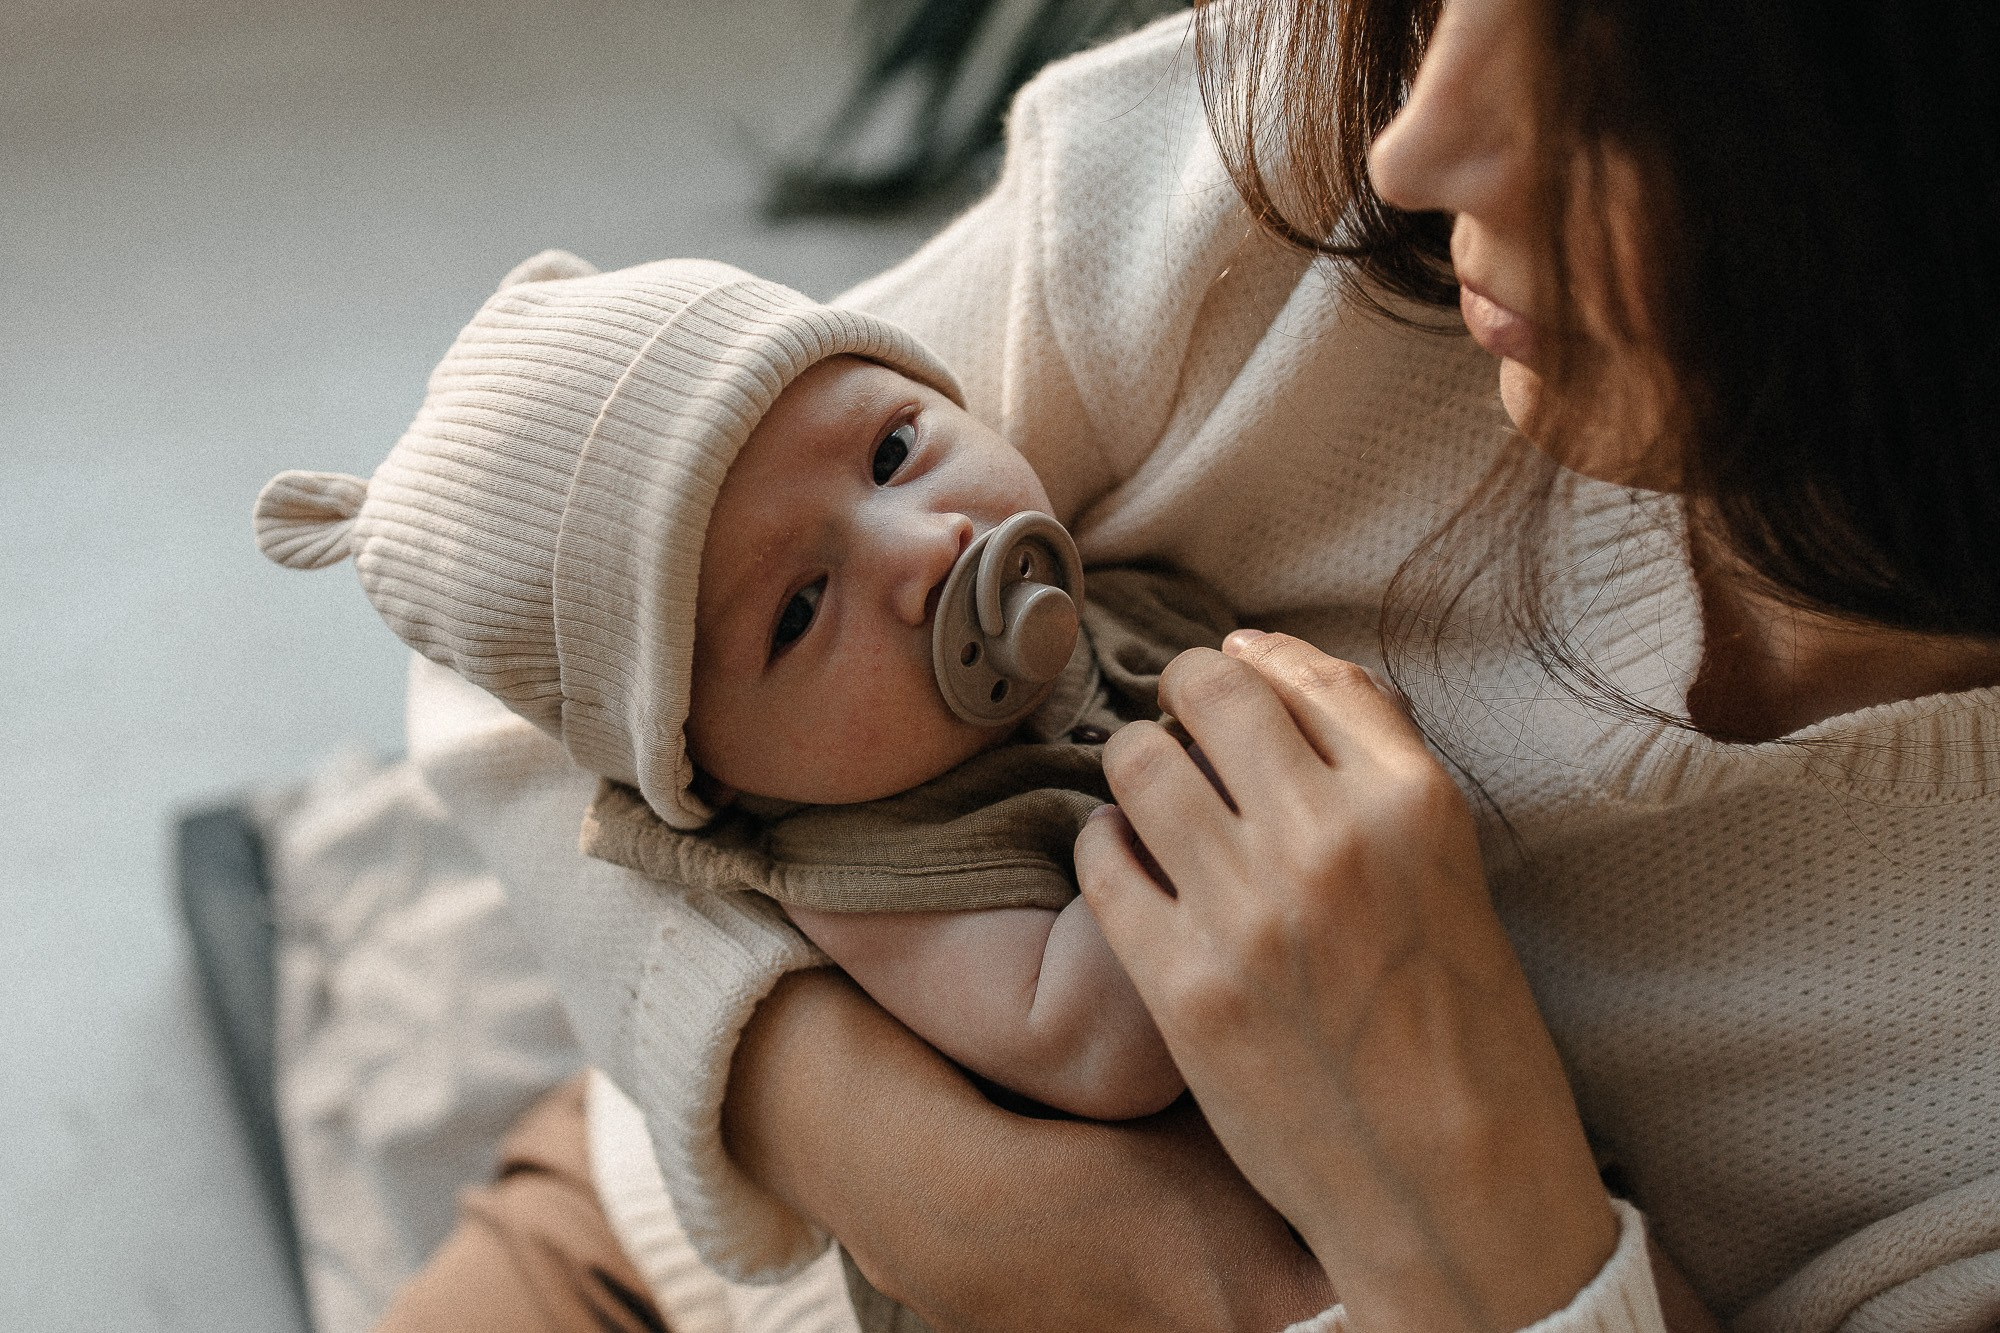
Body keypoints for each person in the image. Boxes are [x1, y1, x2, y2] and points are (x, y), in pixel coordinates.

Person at [390, 0, 2000, 1329]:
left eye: (1630, 93)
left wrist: (1489, 1236)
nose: (1416, 143)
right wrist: (893, 1162)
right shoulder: (1295, 138)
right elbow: (506, 618)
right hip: (686, 1251)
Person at [254, 254, 1229, 1126]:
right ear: (707, 775)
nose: (929, 551)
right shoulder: (872, 874)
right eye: (799, 609)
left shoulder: (1103, 587)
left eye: (891, 454)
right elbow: (1102, 1050)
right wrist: (1215, 787)